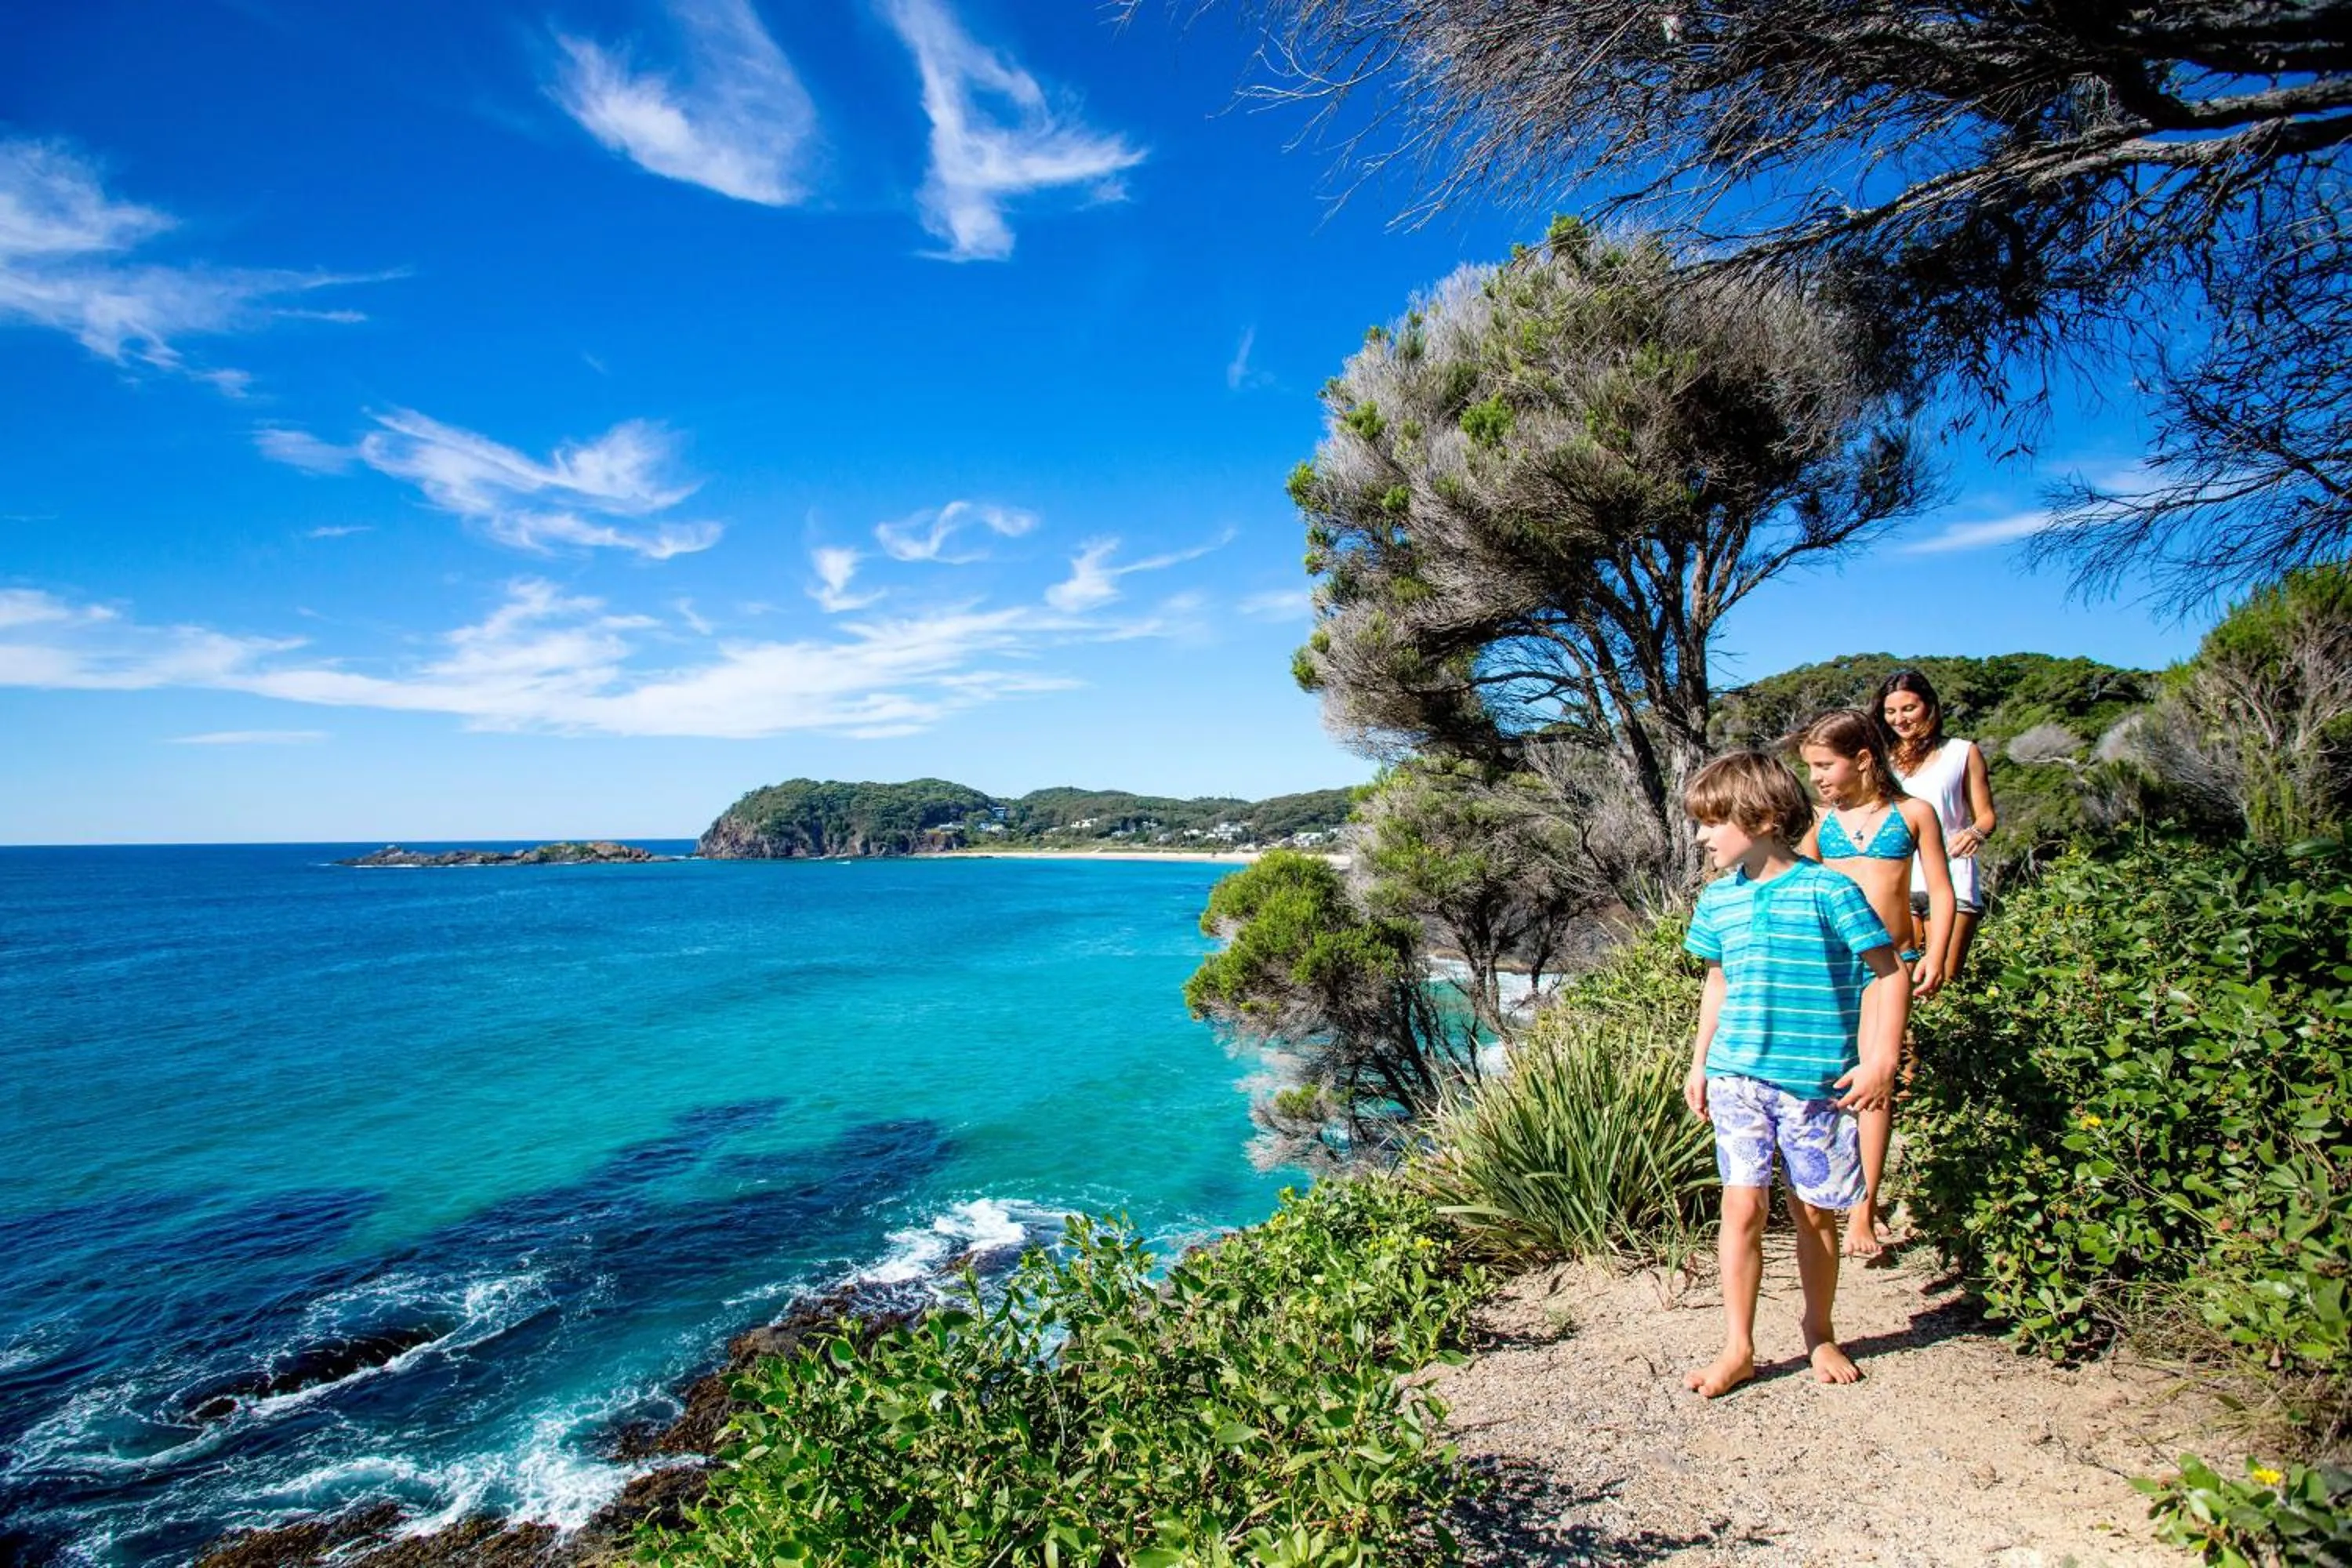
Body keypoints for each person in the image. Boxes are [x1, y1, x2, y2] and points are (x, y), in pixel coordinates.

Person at [1680, 750, 1910, 1399]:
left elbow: (1888, 973)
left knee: (1813, 1213)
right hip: (1737, 1079)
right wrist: (1699, 1064)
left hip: (1814, 1083)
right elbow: (1716, 985)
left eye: (1711, 822)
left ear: (1757, 816)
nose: (1701, 836)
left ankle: (1819, 1329)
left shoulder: (1828, 890)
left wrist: (1881, 1061)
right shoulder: (1718, 901)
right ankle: (1739, 1346)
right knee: (1741, 1207)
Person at [1795, 709, 1954, 1261]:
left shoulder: (1913, 814)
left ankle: (1863, 1207)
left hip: (1893, 963)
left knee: (1876, 1084)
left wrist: (1937, 953)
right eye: (1811, 767)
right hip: (1834, 968)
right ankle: (1830, 1190)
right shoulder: (1821, 823)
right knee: (1834, 1078)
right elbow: (1798, 884)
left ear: (1863, 759)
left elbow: (1941, 889)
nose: (1816, 777)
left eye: (1824, 765)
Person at [1875, 670, 1998, 983]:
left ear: (1929, 706)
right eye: (1890, 712)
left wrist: (1975, 833)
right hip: (1899, 879)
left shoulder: (1961, 752)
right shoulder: (1879, 760)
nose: (1899, 720)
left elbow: (1986, 816)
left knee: (1941, 979)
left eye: (1908, 709)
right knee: (1899, 980)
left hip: (1953, 877)